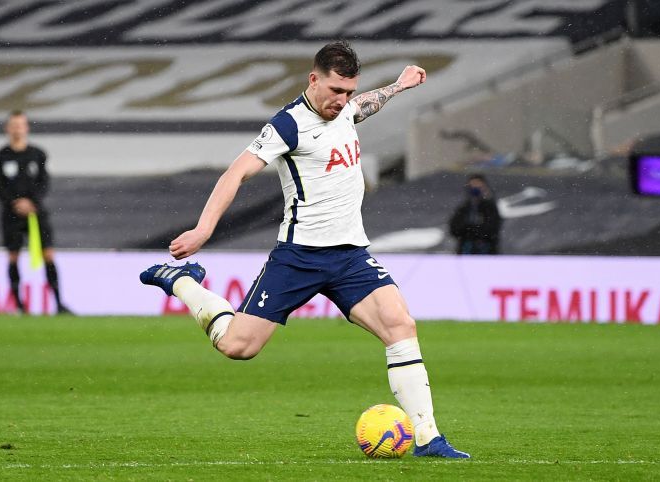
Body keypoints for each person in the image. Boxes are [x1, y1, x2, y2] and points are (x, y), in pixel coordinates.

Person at [140, 41, 469, 459]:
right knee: (238, 347)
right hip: (299, 257)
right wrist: (204, 229)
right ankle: (184, 283)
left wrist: (399, 86)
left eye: (348, 91)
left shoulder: (345, 107)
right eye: (335, 90)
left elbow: (364, 105)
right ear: (313, 80)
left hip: (349, 255)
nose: (342, 101)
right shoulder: (288, 125)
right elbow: (236, 172)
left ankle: (428, 438)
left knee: (400, 325)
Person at [0, 110, 71, 314]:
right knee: (13, 256)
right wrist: (15, 203)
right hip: (11, 214)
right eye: (14, 125)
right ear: (8, 128)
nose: (17, 129)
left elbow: (44, 183)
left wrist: (31, 202)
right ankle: (18, 306)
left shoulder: (37, 155)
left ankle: (59, 304)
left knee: (48, 254)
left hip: (36, 213)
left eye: (21, 125)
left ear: (26, 128)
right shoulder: (0, 157)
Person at [448, 174, 502, 254]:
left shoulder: (490, 208)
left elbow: (493, 229)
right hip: (465, 250)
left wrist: (472, 231)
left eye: (478, 186)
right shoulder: (464, 208)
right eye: (472, 185)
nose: (475, 188)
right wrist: (470, 232)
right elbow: (454, 229)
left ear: (484, 187)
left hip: (487, 251)